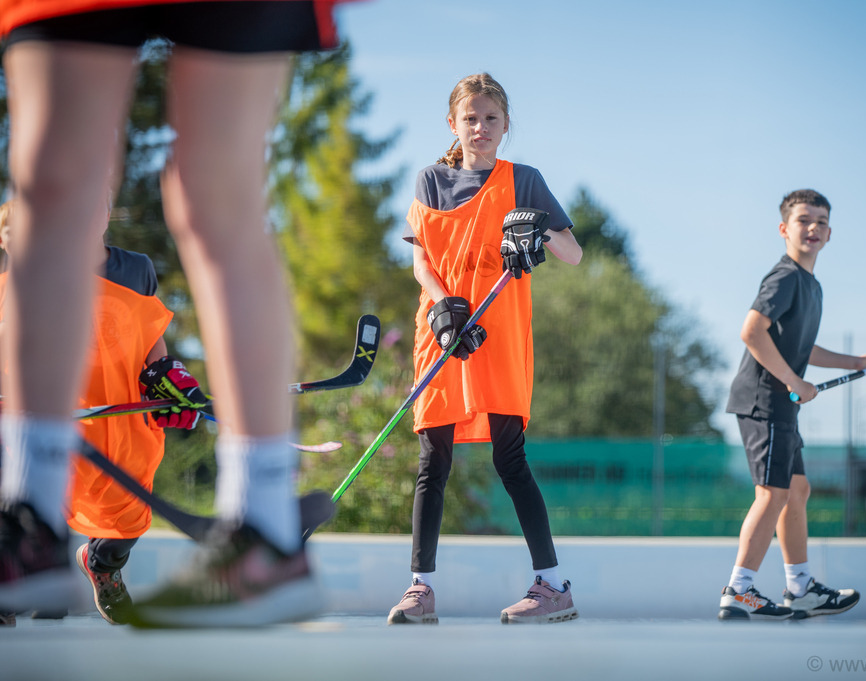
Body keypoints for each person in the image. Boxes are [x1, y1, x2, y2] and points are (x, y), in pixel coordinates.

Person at [0, 1, 359, 627]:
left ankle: (264, 532)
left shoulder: (132, 271)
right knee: (54, 180)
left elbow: (148, 342)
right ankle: (29, 526)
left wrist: (165, 374)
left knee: (218, 190)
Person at [386, 73, 583, 626]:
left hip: (499, 336)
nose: (480, 127)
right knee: (433, 460)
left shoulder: (524, 180)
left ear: (506, 124)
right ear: (453, 124)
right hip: (442, 332)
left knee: (509, 457)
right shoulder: (429, 180)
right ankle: (420, 589)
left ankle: (553, 587)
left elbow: (573, 253)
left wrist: (537, 233)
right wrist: (444, 305)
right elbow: (421, 261)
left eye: (491, 118)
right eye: (470, 118)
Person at [0, 198, 205, 625]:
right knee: (30, 500)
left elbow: (150, 331)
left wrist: (166, 372)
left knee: (128, 518)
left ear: (107, 212)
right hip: (55, 413)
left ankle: (102, 565)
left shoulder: (137, 268)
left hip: (123, 415)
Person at [718, 189, 866, 620]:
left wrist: (857, 364)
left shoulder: (810, 285)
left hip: (782, 404)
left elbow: (800, 346)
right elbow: (752, 331)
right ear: (784, 229)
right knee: (773, 493)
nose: (813, 227)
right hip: (764, 400)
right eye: (803, 219)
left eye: (821, 222)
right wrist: (794, 380)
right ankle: (739, 590)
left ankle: (800, 588)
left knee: (796, 490)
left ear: (830, 234)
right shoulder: (784, 277)